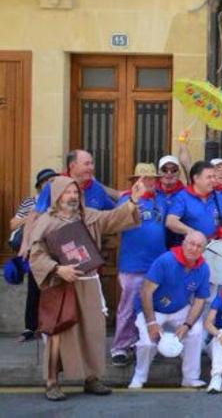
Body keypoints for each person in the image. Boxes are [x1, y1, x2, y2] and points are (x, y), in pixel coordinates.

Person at [28, 175, 143, 401]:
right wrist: (58, 269)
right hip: (60, 284)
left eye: (75, 192)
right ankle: (52, 382)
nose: (73, 196)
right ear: (57, 196)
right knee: (58, 334)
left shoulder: (88, 216)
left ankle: (91, 378)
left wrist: (133, 201)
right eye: (67, 192)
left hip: (88, 283)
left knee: (93, 330)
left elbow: (113, 218)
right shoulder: (45, 222)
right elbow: (36, 256)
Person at [129, 231, 211, 390]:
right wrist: (151, 322)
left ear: (203, 250)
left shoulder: (204, 268)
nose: (193, 248)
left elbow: (200, 300)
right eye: (191, 243)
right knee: (147, 342)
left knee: (195, 331)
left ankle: (190, 377)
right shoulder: (166, 260)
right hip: (154, 309)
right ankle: (139, 376)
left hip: (179, 308)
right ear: (183, 243)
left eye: (199, 246)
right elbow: (146, 291)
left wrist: (187, 324)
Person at [110, 164, 169, 367]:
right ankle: (121, 347)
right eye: (144, 178)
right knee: (128, 307)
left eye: (152, 178)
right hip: (132, 264)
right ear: (136, 180)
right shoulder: (126, 201)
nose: (149, 182)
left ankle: (145, 344)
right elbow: (115, 224)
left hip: (157, 264)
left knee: (154, 307)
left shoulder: (161, 200)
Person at [10, 168, 57, 342]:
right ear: (40, 186)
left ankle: (50, 326)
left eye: (54, 181)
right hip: (34, 252)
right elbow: (13, 224)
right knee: (34, 289)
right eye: (47, 182)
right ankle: (30, 327)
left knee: (53, 290)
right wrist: (33, 215)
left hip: (54, 251)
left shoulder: (61, 200)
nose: (51, 184)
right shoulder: (31, 202)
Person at [166, 160, 222, 247]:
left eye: (213, 176)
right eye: (209, 177)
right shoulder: (183, 197)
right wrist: (192, 232)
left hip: (214, 249)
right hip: (191, 249)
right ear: (196, 178)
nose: (213, 180)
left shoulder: (218, 196)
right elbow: (170, 222)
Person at [34, 149, 117, 213]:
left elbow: (113, 212)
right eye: (87, 164)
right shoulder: (53, 185)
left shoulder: (97, 189)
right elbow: (38, 214)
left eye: (92, 163)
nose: (91, 168)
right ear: (72, 166)